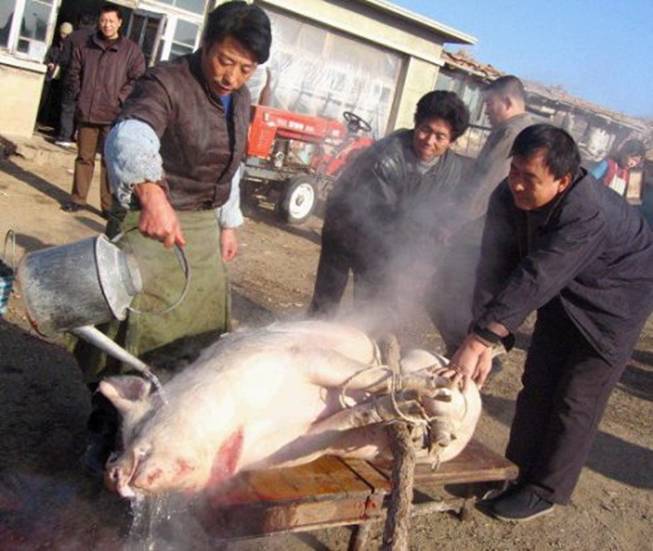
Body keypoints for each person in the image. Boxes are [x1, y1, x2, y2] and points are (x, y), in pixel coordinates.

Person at [76, 0, 271, 473]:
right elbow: (130, 133)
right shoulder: (165, 82)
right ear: (206, 44)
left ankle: (164, 434)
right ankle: (105, 430)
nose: (231, 76)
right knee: (132, 340)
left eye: (245, 68)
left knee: (198, 341)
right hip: (152, 221)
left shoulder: (242, 97)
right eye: (225, 60)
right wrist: (150, 191)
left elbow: (231, 166)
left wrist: (227, 222)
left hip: (202, 230)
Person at [449, 124, 653, 522]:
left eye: (530, 178)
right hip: (565, 290)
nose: (518, 185)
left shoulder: (585, 211)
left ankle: (545, 490)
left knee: (576, 398)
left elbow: (537, 275)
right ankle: (513, 473)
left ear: (562, 180)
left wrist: (481, 338)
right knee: (537, 383)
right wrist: (485, 337)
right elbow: (495, 264)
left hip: (616, 301)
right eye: (514, 172)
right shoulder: (508, 197)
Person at [308, 90, 470, 334]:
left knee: (371, 303)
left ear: (452, 141)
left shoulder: (452, 170)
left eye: (440, 136)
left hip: (393, 229)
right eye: (425, 129)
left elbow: (441, 211)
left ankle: (361, 342)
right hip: (347, 224)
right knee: (328, 299)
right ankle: (310, 342)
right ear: (416, 125)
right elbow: (381, 221)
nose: (429, 140)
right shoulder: (384, 158)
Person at [427, 76, 539, 356]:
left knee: (445, 297)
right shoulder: (520, 130)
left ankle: (471, 354)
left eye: (489, 103)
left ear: (508, 102)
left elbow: (485, 187)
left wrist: (453, 224)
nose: (485, 110)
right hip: (487, 235)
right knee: (456, 301)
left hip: (479, 237)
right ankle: (464, 351)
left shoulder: (512, 133)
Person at [60, 4, 145, 217]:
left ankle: (107, 206)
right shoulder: (86, 46)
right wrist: (80, 96)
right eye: (103, 21)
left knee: (109, 162)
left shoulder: (130, 51)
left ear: (119, 23)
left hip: (113, 116)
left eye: (111, 21)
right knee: (84, 158)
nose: (107, 25)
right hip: (87, 112)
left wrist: (119, 99)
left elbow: (137, 79)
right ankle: (77, 199)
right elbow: (73, 73)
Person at [54, 13, 96, 148]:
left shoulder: (73, 37)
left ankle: (65, 137)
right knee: (84, 111)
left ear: (80, 23)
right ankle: (79, 138)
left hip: (72, 79)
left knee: (68, 107)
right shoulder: (99, 40)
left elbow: (64, 59)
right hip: (91, 82)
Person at [38, 22, 73, 129]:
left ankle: (53, 125)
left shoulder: (71, 49)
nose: (64, 36)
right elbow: (47, 58)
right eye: (62, 33)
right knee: (45, 100)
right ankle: (41, 121)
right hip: (50, 78)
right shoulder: (54, 46)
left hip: (62, 79)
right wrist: (49, 63)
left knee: (58, 103)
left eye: (66, 34)